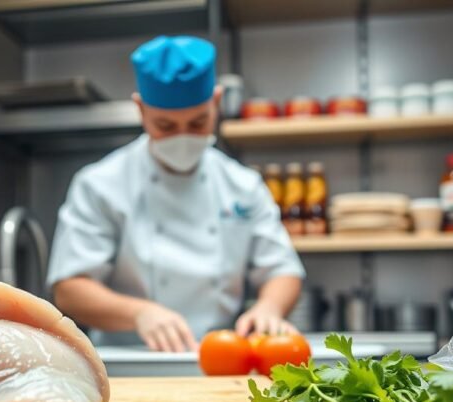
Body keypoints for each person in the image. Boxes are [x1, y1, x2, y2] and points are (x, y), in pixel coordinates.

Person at [46, 35, 305, 352]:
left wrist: (269, 308)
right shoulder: (100, 184)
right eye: (166, 126)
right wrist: (139, 313)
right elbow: (70, 289)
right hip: (127, 361)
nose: (182, 137)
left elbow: (283, 270)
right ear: (141, 110)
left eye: (197, 122)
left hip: (220, 356)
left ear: (217, 102)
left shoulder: (243, 186)